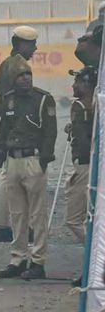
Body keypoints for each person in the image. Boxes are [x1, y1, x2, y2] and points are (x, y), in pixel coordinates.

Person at [0, 62, 56, 280]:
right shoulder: (7, 99)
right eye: (21, 75)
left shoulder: (43, 99)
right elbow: (3, 132)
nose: (26, 78)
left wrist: (43, 161)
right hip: (12, 161)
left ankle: (38, 261)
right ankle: (18, 259)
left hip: (33, 160)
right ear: (12, 79)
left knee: (37, 215)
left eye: (29, 74)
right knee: (17, 214)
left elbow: (50, 133)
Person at [0, 25, 39, 243]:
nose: (35, 48)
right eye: (32, 44)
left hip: (9, 120)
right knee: (16, 176)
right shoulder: (20, 66)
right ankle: (11, 226)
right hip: (18, 123)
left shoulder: (6, 63)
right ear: (21, 44)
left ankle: (3, 225)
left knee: (6, 173)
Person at [65, 66, 97, 286]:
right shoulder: (95, 106)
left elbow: (85, 141)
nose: (74, 85)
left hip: (84, 166)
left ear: (87, 85)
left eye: (78, 81)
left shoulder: (79, 106)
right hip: (94, 165)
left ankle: (95, 262)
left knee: (74, 219)